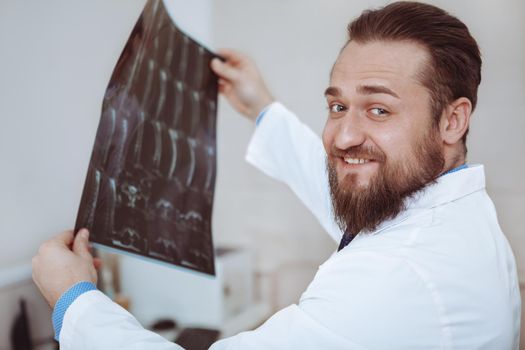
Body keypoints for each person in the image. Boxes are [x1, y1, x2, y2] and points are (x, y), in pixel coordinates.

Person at [32, 2, 520, 349]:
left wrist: (75, 301)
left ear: (452, 120)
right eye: (337, 105)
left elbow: (383, 254)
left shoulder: (397, 280)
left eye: (378, 109)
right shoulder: (452, 213)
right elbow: (360, 206)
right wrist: (262, 108)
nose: (343, 135)